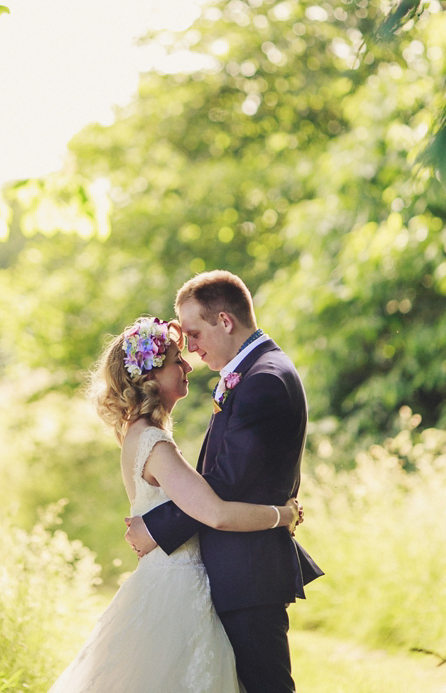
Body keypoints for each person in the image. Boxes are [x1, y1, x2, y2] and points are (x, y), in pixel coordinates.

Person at [48, 315, 302, 693]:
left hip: (170, 578)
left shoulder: (139, 434)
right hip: (179, 589)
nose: (187, 365)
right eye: (174, 361)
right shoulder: (155, 443)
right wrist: (284, 515)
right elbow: (216, 513)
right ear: (149, 376)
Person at [126, 271, 323, 693]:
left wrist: (156, 528)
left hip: (247, 571)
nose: (191, 350)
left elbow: (224, 486)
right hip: (238, 570)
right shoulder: (254, 372)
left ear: (225, 321)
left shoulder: (263, 380)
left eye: (194, 334)